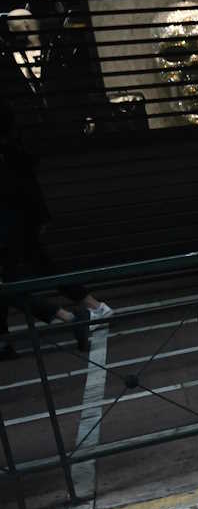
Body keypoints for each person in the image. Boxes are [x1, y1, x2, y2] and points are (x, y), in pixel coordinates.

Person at [0, 97, 109, 358]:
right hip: (19, 223)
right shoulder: (12, 151)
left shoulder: (9, 155)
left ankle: (72, 316)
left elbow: (20, 188)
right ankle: (86, 309)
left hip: (10, 227)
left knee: (10, 285)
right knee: (22, 277)